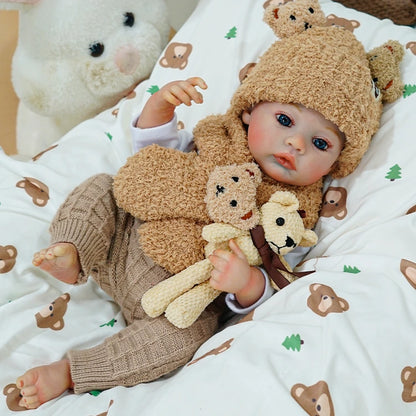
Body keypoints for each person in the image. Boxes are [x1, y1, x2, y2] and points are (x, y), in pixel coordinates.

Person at [14, 17, 384, 409]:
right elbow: (153, 159)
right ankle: (74, 250)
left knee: (188, 336)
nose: (295, 142)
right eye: (284, 120)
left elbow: (278, 278)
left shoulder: (292, 211)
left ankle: (73, 372)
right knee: (102, 186)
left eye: (321, 142)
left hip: (178, 301)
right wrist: (159, 107)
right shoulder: (214, 139)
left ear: (334, 164)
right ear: (249, 110)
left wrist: (245, 283)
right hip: (121, 244)